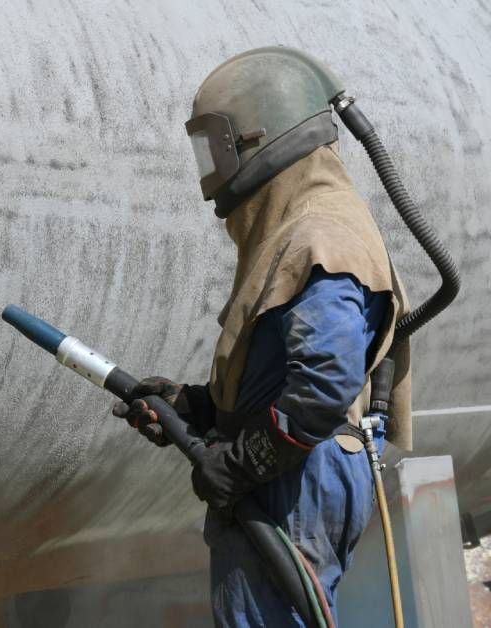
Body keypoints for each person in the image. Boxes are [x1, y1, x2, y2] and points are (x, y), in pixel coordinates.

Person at [113, 47, 411, 626]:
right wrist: (194, 407)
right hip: (295, 473)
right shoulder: (304, 227)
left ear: (258, 137)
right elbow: (283, 370)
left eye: (213, 149)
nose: (212, 174)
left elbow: (325, 383)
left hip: (294, 482)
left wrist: (244, 464)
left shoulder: (317, 234)